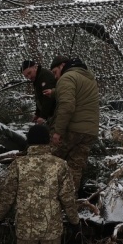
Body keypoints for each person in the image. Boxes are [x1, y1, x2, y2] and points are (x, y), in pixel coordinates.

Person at [46, 55, 100, 193]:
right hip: (89, 133)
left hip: (72, 130)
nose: (55, 77)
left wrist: (58, 132)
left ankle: (46, 201)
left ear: (62, 66)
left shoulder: (66, 77)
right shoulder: (89, 78)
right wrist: (54, 92)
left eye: (55, 72)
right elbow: (76, 92)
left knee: (49, 163)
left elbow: (67, 105)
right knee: (74, 170)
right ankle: (69, 206)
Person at [21, 60, 57, 125]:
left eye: (29, 73)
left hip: (55, 113)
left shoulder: (44, 76)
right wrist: (38, 114)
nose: (29, 77)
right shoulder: (37, 78)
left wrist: (43, 116)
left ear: (35, 67)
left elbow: (48, 98)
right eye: (26, 76)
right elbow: (39, 98)